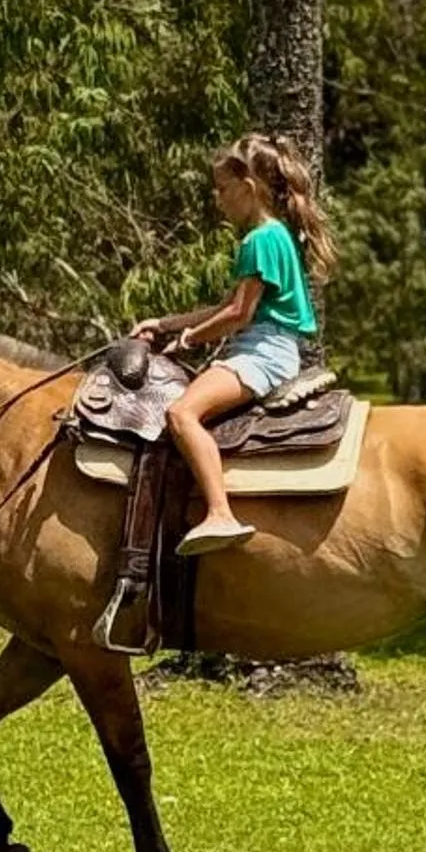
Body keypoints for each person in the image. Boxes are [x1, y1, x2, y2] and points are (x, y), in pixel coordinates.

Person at [135, 132, 335, 555]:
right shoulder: (275, 235)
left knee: (182, 412)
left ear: (248, 188)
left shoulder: (260, 240)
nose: (216, 197)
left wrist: (188, 339)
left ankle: (220, 513)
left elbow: (238, 315)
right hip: (269, 347)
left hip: (263, 353)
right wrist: (165, 324)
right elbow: (225, 306)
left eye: (223, 188)